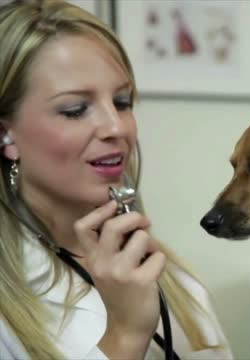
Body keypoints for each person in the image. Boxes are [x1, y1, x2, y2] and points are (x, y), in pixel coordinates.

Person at [0, 0, 233, 358]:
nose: (116, 127)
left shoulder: (174, 279)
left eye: (122, 102)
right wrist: (124, 335)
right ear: (6, 135)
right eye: (74, 109)